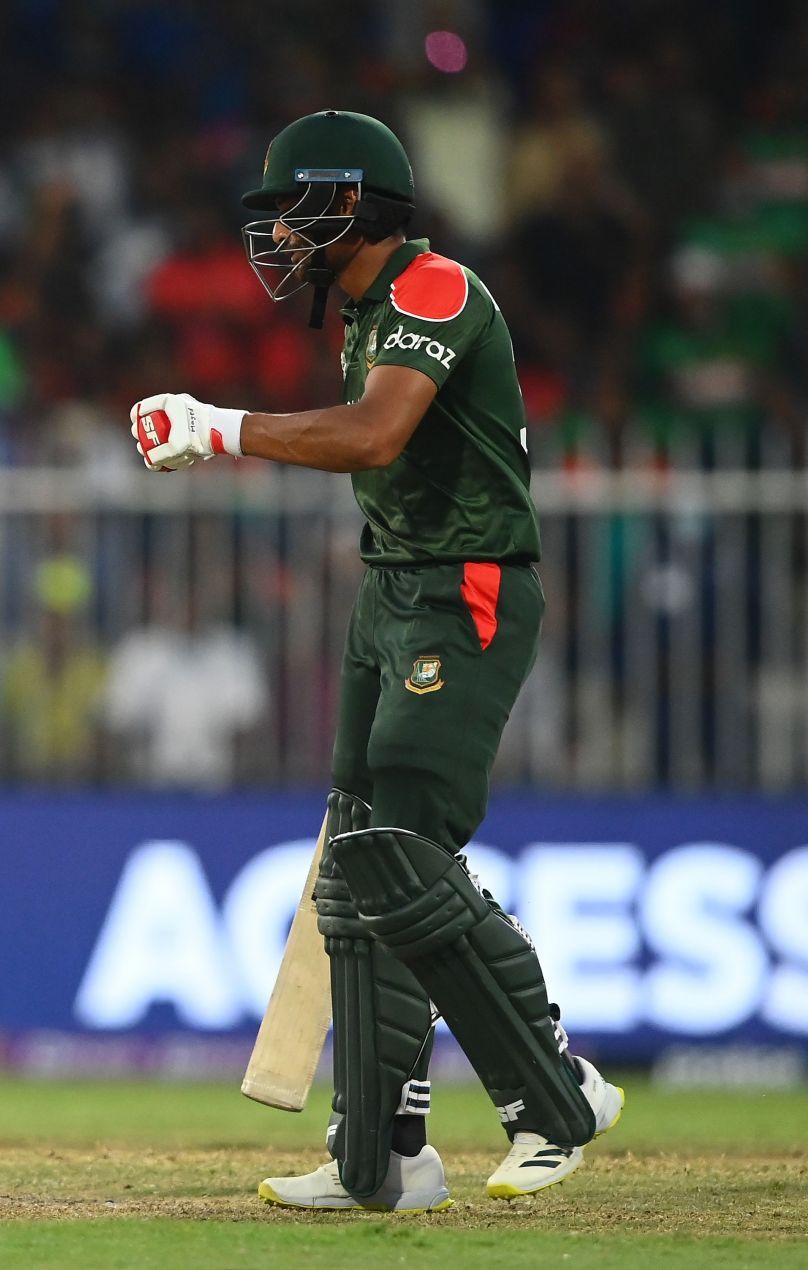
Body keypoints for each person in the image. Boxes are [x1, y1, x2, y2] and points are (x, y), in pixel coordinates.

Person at [127, 110, 622, 1212]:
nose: (274, 237)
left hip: (469, 587)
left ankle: (555, 1091)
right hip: (394, 587)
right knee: (359, 854)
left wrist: (220, 428)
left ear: (351, 202)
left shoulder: (433, 286)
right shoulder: (360, 308)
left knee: (402, 846)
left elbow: (373, 435)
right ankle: (383, 1151)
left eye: (290, 209)